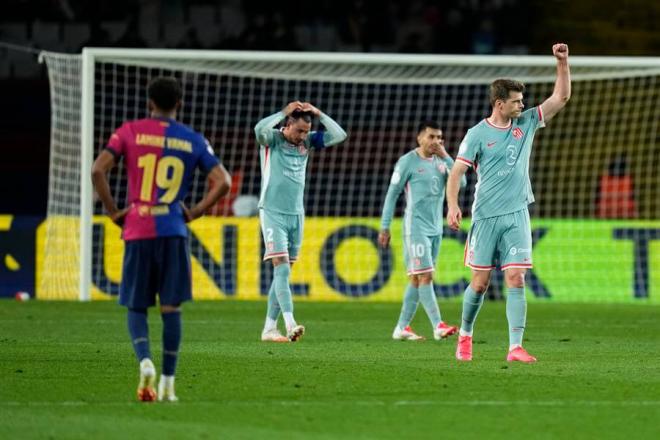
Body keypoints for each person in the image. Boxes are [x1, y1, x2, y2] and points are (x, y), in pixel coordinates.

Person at [91, 77, 232, 401]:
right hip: (172, 228)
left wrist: (114, 212)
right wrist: (194, 212)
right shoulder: (192, 139)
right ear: (179, 105)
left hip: (138, 226)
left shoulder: (129, 131)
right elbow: (222, 181)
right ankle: (168, 382)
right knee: (171, 309)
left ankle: (145, 361)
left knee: (137, 306)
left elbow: (98, 170)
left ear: (149, 103)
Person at [446, 43, 571, 363]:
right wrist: (452, 205)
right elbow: (457, 171)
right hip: (486, 216)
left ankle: (515, 346)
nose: (522, 105)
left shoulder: (527, 122)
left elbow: (561, 98)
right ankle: (465, 334)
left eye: (522, 100)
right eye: (516, 101)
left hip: (517, 214)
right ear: (499, 104)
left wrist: (562, 63)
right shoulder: (476, 134)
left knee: (516, 277)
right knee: (480, 283)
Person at [256, 101, 347, 342]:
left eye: (306, 131)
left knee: (282, 275)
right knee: (282, 268)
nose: (303, 136)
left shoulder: (307, 142)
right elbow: (258, 130)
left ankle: (269, 328)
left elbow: (340, 135)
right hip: (272, 212)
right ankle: (290, 322)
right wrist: (282, 112)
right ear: (287, 125)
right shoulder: (273, 139)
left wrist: (319, 114)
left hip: (296, 214)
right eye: (299, 130)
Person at [378, 121, 465, 341]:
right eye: (431, 137)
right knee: (426, 276)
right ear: (420, 138)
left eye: (439, 137)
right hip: (415, 228)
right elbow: (392, 194)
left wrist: (445, 155)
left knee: (417, 280)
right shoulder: (407, 162)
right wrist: (385, 226)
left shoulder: (441, 162)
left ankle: (401, 328)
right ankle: (438, 325)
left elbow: (461, 181)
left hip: (436, 228)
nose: (436, 141)